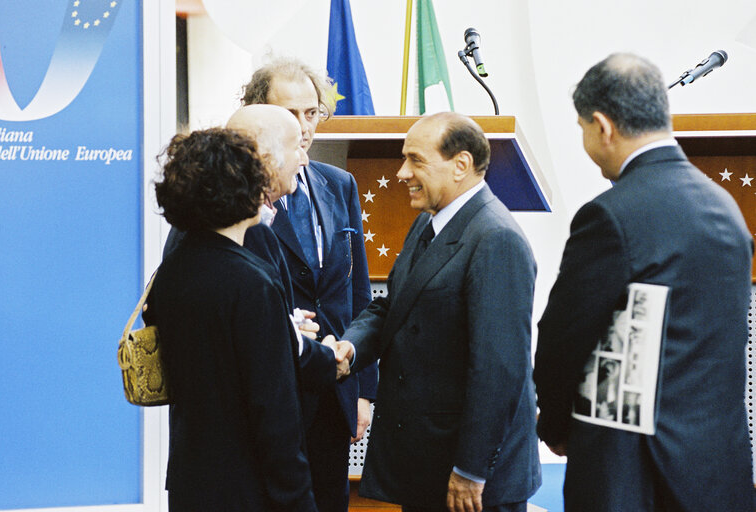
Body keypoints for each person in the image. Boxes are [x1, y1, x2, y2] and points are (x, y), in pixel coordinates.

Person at [534, 53, 754, 511]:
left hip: (632, 475)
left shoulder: (612, 215)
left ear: (602, 125)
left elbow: (563, 340)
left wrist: (554, 426)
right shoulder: (727, 210)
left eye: (581, 129)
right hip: (718, 472)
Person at [339, 112, 541, 512]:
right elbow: (394, 305)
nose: (401, 172)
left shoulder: (496, 238)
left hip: (470, 479)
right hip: (426, 463)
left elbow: (499, 368)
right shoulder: (427, 224)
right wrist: (350, 348)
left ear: (460, 165)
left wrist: (472, 470)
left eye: (415, 160)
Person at [144, 128, 319, 510]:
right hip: (248, 487)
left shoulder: (173, 269)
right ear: (243, 188)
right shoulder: (251, 282)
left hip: (193, 480)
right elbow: (274, 414)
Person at [240, 57, 377, 512]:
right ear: (259, 112)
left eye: (311, 112)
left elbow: (357, 295)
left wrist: (363, 390)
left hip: (333, 393)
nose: (303, 127)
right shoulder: (232, 199)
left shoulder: (339, 184)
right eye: (290, 113)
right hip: (269, 395)